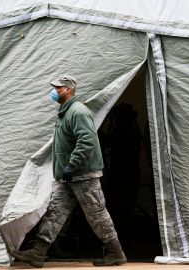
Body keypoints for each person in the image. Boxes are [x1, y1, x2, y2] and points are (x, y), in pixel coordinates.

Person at [11, 75, 127, 267]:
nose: (54, 91)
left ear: (68, 89)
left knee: (96, 214)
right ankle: (38, 253)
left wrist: (71, 164)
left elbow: (87, 141)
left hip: (82, 174)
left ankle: (115, 252)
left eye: (58, 88)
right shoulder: (66, 112)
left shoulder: (78, 112)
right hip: (67, 176)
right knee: (54, 212)